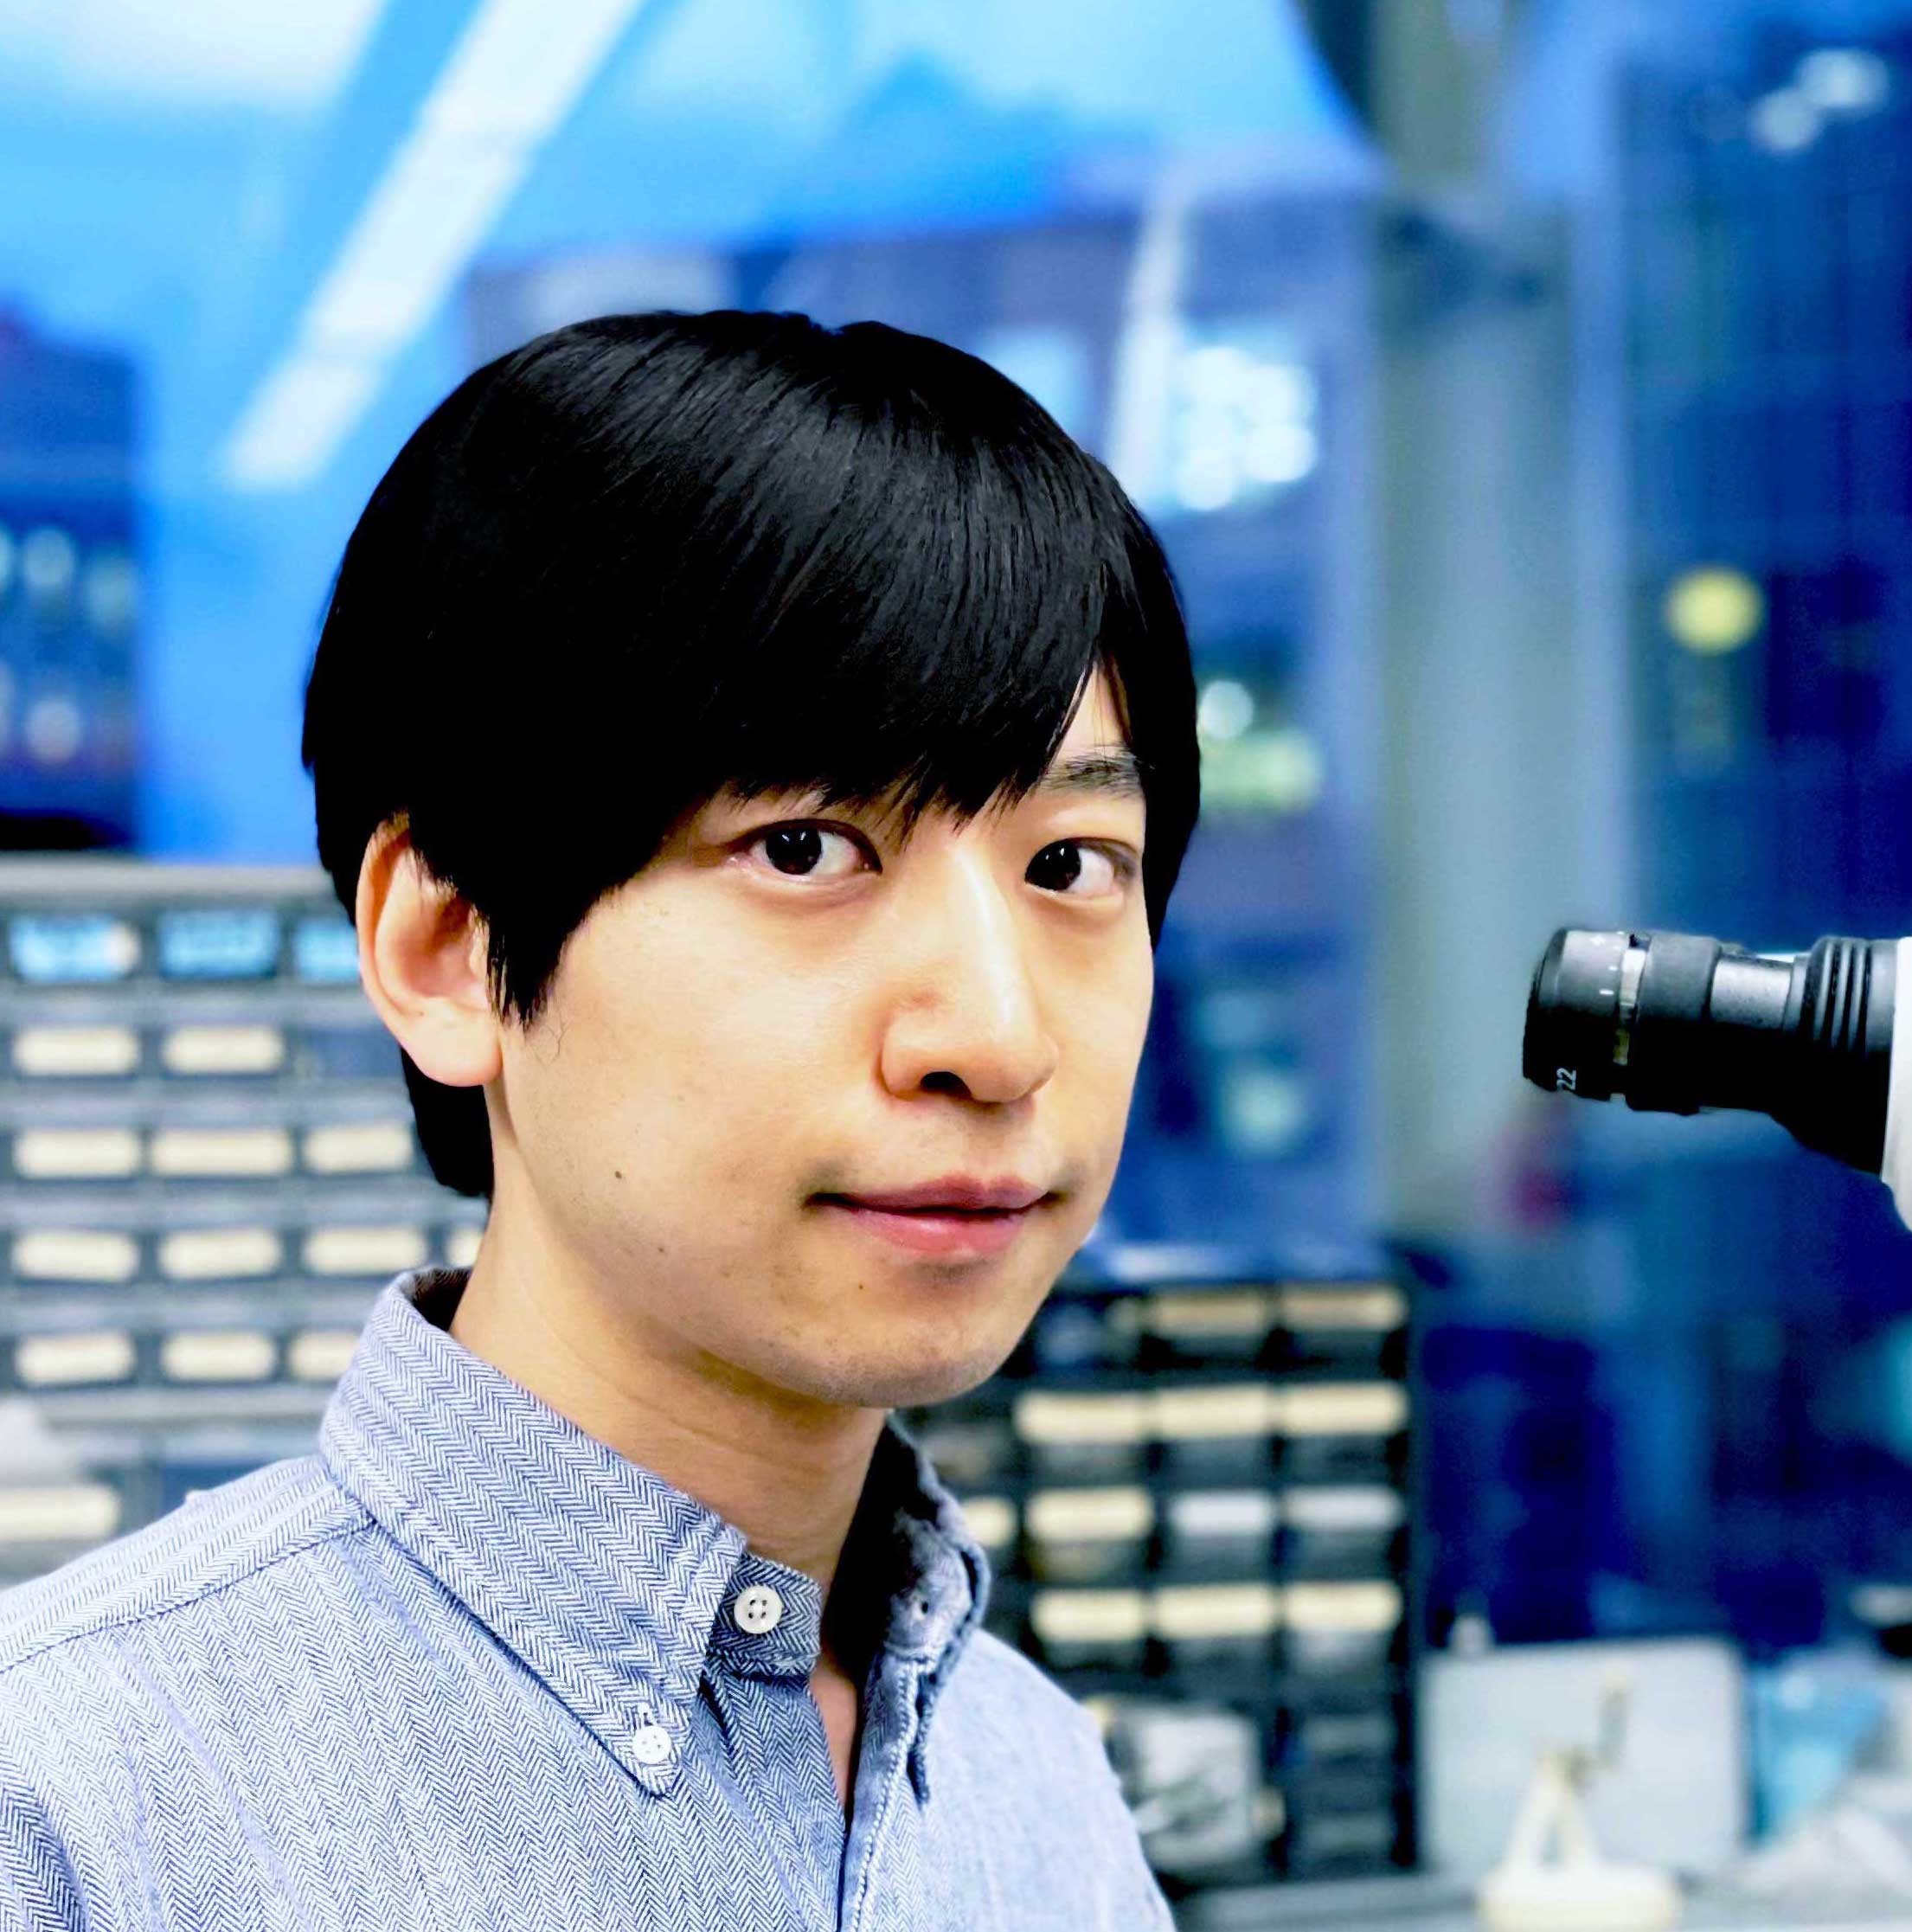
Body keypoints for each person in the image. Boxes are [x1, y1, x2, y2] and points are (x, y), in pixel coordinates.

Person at [0, 309, 1200, 1929]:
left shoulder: (1031, 1787)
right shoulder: (84, 1811)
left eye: (1072, 866)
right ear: (449, 947)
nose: (992, 1036)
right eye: (804, 847)